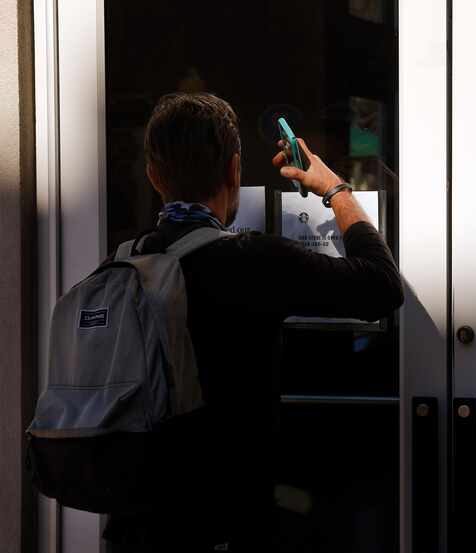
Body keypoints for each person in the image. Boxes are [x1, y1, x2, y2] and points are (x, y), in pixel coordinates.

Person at [102, 92, 404, 552]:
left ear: (152, 175)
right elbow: (381, 287)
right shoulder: (249, 260)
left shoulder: (123, 263)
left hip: (135, 525)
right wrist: (336, 191)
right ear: (233, 171)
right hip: (225, 524)